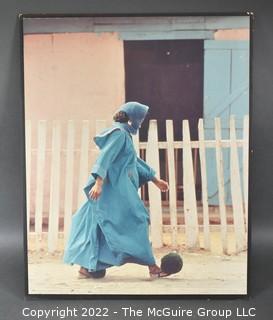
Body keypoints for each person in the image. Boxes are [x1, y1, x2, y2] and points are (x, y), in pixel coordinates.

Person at [63, 101, 170, 279]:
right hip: (114, 190)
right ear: (133, 118)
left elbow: (133, 161)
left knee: (102, 223)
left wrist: (155, 179)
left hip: (118, 188)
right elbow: (106, 157)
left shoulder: (124, 135)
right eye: (141, 118)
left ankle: (88, 267)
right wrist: (98, 183)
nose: (141, 122)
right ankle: (152, 267)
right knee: (138, 219)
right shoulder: (119, 134)